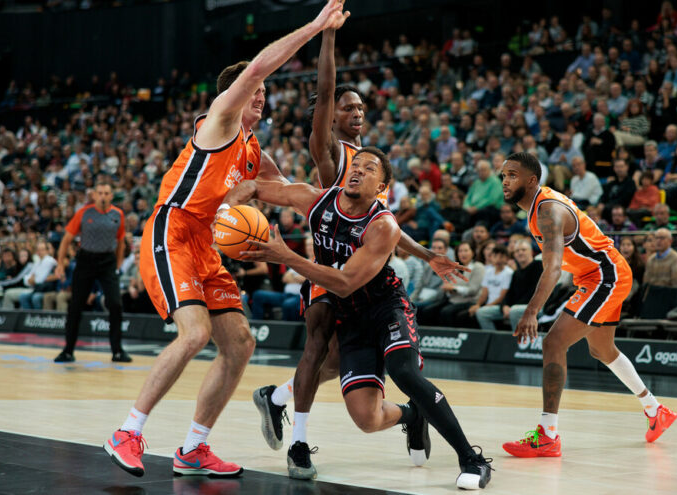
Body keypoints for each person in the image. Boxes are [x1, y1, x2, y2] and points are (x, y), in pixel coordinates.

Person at [102, 0, 354, 479]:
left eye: (264, 92)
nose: (260, 95)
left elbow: (291, 192)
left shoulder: (253, 151)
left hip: (206, 246)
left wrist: (341, 205)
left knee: (239, 342)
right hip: (171, 230)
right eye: (254, 90)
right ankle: (128, 431)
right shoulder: (219, 119)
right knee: (195, 333)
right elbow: (259, 64)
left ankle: (193, 448)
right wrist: (319, 27)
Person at [248, 20, 467, 481]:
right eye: (349, 107)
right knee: (317, 342)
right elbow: (325, 93)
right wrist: (327, 35)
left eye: (362, 107)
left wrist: (427, 255)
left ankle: (281, 399)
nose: (357, 113)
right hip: (328, 274)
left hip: (365, 282)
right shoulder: (331, 154)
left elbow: (381, 232)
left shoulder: (370, 165)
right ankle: (300, 443)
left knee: (330, 363)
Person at [231, 147, 493, 489]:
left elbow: (344, 283)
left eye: (368, 168)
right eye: (355, 164)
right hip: (351, 319)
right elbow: (254, 186)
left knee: (403, 371)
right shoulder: (317, 201)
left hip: (386, 308)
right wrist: (223, 210)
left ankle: (471, 459)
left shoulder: (382, 224)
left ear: (382, 187)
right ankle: (413, 416)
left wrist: (286, 256)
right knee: (366, 419)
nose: (357, 170)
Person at [499, 152, 676, 458]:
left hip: (606, 275)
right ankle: (655, 410)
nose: (505, 181)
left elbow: (553, 269)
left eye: (512, 175)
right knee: (601, 350)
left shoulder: (547, 211)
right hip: (597, 275)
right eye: (503, 175)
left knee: (553, 343)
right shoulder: (536, 208)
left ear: (531, 180)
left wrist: (531, 311)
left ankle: (548, 435)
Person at [54, 178, 129, 363]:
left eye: (106, 193)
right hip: (86, 260)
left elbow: (120, 242)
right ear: (94, 195)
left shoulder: (118, 214)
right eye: (100, 193)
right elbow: (66, 240)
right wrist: (60, 264)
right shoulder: (83, 213)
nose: (103, 196)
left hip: (107, 262)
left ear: (111, 196)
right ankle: (68, 350)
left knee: (115, 304)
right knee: (76, 306)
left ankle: (117, 351)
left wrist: (118, 264)